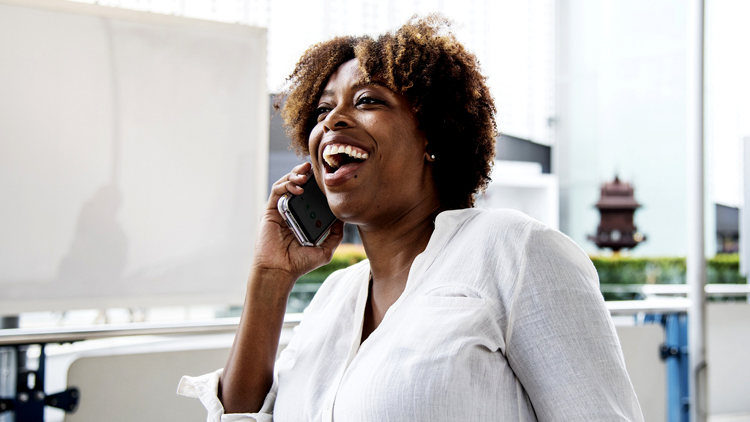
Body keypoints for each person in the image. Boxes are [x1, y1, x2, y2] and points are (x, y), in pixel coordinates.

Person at [178, 16, 644, 421]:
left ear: (432, 135)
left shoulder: (517, 252)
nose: (333, 119)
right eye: (322, 109)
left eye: (367, 101)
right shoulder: (332, 298)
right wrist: (269, 278)